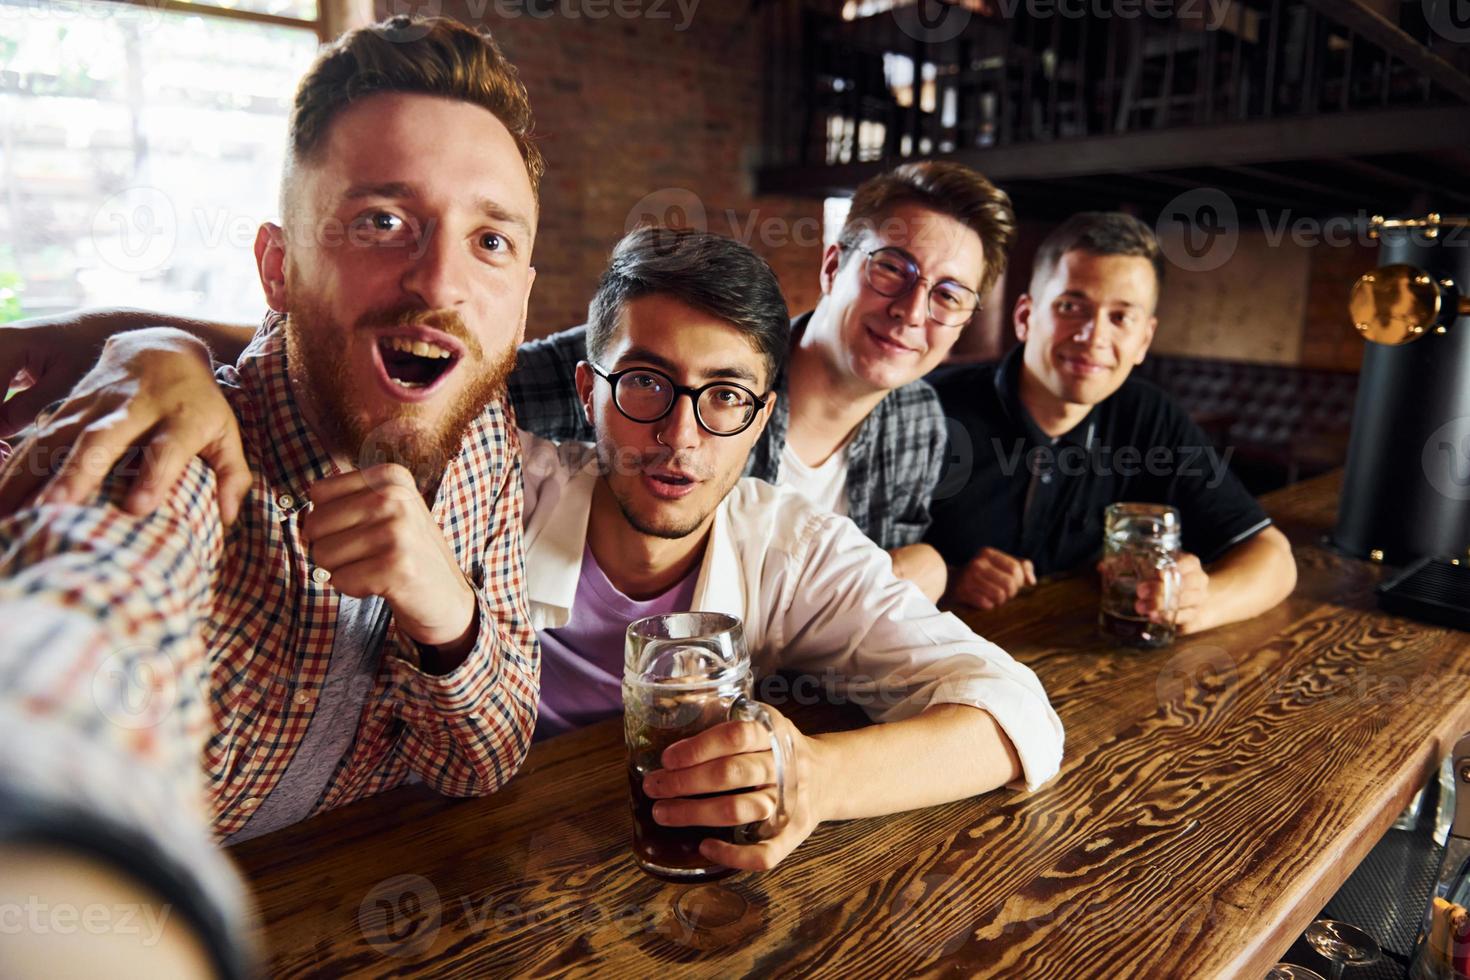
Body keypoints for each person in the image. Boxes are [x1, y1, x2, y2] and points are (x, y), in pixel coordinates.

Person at [0, 16, 543, 974]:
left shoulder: (481, 431)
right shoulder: (170, 434)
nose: (440, 282)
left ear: (526, 298)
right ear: (277, 267)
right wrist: (49, 832)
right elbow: (83, 626)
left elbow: (484, 761)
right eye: (383, 221)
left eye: (489, 239)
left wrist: (443, 609)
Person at [0, 162, 1017, 600]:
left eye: (948, 295)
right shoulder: (657, 374)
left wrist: (925, 565)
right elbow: (411, 365)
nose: (914, 308)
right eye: (893, 269)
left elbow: (896, 564)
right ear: (838, 265)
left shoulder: (921, 424)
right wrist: (132, 334)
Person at [519, 226, 1062, 872]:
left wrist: (819, 776)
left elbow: (1020, 714)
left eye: (725, 396)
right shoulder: (503, 491)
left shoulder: (789, 546)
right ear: (587, 391)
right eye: (644, 381)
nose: (680, 437)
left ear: (760, 416)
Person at [923, 212, 1297, 634]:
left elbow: (1273, 558)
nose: (1094, 336)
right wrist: (948, 583)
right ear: (1025, 317)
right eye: (1071, 307)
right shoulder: (930, 408)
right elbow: (851, 561)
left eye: (1120, 318)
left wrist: (1195, 603)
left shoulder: (1149, 417)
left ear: (1144, 340)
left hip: (1085, 670)